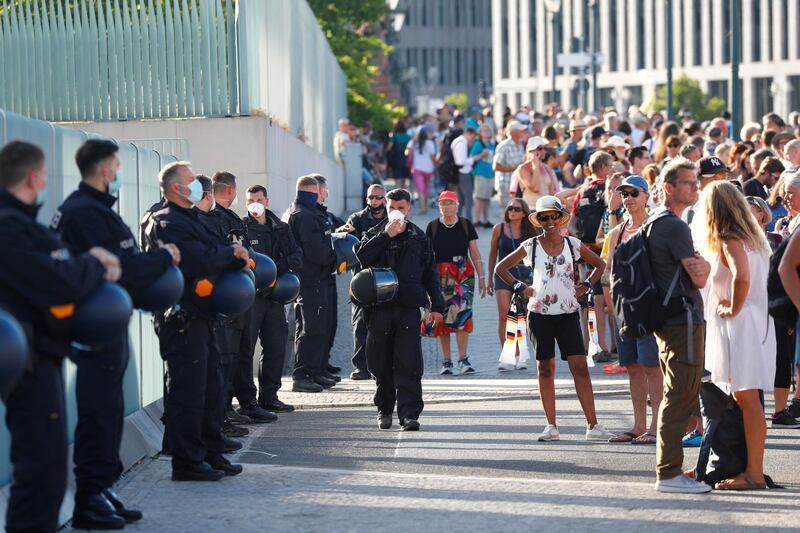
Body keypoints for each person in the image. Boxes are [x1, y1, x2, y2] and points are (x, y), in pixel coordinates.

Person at [52, 140, 180, 528]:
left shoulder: (96, 210)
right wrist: (165, 257)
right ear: (106, 168)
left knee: (108, 412)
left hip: (109, 323)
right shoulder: (83, 212)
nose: (120, 171)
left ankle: (102, 487)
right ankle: (89, 498)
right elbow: (122, 268)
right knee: (97, 412)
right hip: (93, 328)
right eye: (118, 165)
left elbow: (124, 262)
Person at [0, 141, 119, 533]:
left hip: (40, 356)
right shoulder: (9, 227)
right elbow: (58, 281)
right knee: (41, 474)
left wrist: (79, 263)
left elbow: (61, 261)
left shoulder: (24, 225)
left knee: (47, 472)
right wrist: (92, 263)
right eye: (45, 175)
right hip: (27, 362)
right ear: (35, 177)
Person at [144, 161, 250, 481]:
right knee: (188, 393)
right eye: (191, 181)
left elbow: (215, 247)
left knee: (212, 388)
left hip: (203, 315)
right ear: (176, 187)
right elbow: (198, 259)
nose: (197, 186)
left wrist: (232, 254)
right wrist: (231, 254)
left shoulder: (193, 218)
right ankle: (188, 461)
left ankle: (211, 452)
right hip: (181, 318)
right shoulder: (165, 222)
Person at [495, 196, 613, 442]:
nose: (549, 221)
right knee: (545, 368)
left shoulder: (573, 244)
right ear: (538, 221)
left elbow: (600, 264)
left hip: (568, 313)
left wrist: (585, 287)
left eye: (553, 216)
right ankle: (551, 426)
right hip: (540, 314)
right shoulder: (531, 245)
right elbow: (501, 268)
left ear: (561, 218)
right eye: (544, 217)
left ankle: (593, 425)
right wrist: (521, 287)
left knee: (580, 367)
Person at [703, 181, 775, 490]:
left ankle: (754, 474)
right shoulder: (752, 237)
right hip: (753, 322)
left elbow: (742, 277)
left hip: (741, 324)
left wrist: (732, 308)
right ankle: (751, 470)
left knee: (747, 399)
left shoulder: (731, 237)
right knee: (746, 399)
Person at [648, 157, 713, 494]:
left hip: (670, 320)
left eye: (695, 182)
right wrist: (705, 262)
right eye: (688, 182)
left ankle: (670, 470)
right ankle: (669, 473)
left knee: (679, 394)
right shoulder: (674, 226)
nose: (694, 187)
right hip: (682, 320)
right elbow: (699, 277)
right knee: (680, 396)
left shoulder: (655, 222)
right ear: (669, 187)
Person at [356, 188, 445, 431]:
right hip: (379, 308)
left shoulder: (419, 237)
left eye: (402, 208)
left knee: (409, 362)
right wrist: (385, 236)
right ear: (386, 207)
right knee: (379, 362)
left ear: (409, 209)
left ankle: (409, 414)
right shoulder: (374, 233)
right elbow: (361, 258)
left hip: (407, 306)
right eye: (392, 208)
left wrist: (437, 306)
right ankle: (384, 409)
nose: (397, 212)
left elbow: (431, 274)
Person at [211, 171, 278, 423]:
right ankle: (226, 409)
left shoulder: (228, 217)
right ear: (231, 190)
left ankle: (247, 401)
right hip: (228, 294)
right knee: (227, 355)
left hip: (242, 292)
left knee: (243, 351)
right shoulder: (216, 218)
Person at [606, 176, 663, 444]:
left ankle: (656, 425)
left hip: (651, 310)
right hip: (624, 310)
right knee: (632, 368)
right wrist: (612, 309)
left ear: (646, 196)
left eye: (634, 193)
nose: (628, 198)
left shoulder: (655, 227)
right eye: (624, 194)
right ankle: (638, 424)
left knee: (652, 367)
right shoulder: (616, 233)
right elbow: (609, 273)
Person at [243, 185, 302, 413]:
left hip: (275, 297)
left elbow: (298, 256)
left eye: (258, 199)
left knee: (276, 347)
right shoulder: (241, 228)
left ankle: (270, 396)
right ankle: (246, 400)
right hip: (252, 297)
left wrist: (277, 268)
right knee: (245, 348)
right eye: (250, 200)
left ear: (266, 201)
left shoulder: (281, 228)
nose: (254, 203)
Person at [285, 175, 337, 392]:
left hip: (318, 278)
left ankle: (314, 371)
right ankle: (302, 374)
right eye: (316, 193)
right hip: (310, 279)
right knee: (311, 327)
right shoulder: (303, 216)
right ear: (309, 193)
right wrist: (336, 259)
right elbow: (314, 250)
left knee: (320, 326)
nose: (320, 197)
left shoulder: (311, 213)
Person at [426, 190, 485, 374]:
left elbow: (474, 253)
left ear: (457, 205)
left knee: (462, 316)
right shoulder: (433, 226)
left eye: (450, 203)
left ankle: (463, 359)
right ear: (439, 206)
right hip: (440, 276)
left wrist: (482, 277)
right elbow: (427, 256)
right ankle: (446, 362)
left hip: (463, 275)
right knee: (441, 317)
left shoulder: (466, 225)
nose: (447, 207)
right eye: (443, 203)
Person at [487, 198, 537, 367]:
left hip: (524, 276)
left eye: (516, 209)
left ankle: (521, 353)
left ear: (524, 213)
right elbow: (493, 253)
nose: (512, 211)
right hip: (502, 275)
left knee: (522, 316)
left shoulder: (531, 230)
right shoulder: (498, 228)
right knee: (504, 315)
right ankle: (508, 355)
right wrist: (487, 278)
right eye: (510, 208)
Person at [346, 184, 388, 379]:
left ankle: (382, 364)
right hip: (362, 278)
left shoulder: (392, 218)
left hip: (385, 276)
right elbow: (347, 244)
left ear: (385, 199)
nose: (375, 202)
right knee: (360, 322)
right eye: (371, 198)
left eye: (378, 198)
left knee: (384, 322)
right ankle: (360, 366)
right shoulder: (357, 219)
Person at [315, 174, 347, 379]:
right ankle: (313, 370)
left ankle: (323, 363)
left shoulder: (325, 215)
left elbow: (340, 227)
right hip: (316, 279)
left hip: (329, 275)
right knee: (316, 327)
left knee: (330, 323)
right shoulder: (306, 215)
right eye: (325, 189)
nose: (327, 192)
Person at [512, 136, 559, 209]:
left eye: (544, 148)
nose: (543, 151)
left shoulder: (547, 169)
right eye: (539, 148)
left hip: (545, 210)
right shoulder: (523, 168)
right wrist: (535, 165)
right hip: (530, 210)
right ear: (530, 151)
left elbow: (552, 193)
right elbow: (535, 188)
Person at [493, 120, 528, 207]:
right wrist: (516, 169)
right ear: (513, 132)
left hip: (518, 186)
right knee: (507, 214)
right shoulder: (503, 146)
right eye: (520, 130)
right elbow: (496, 166)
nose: (522, 132)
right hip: (506, 185)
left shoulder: (520, 144)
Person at [451, 126, 479, 220]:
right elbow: (460, 161)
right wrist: (473, 159)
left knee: (462, 199)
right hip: (463, 173)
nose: (472, 140)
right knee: (468, 198)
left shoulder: (458, 141)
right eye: (473, 137)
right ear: (469, 134)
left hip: (459, 172)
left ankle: (459, 220)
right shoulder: (462, 143)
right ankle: (468, 220)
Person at [471, 123, 496, 227]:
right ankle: (476, 220)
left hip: (490, 174)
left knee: (487, 198)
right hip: (480, 173)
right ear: (480, 133)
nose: (486, 132)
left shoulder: (491, 144)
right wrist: (481, 154)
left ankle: (485, 220)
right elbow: (472, 158)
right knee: (479, 198)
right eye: (484, 130)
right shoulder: (478, 144)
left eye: (488, 130)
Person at [409, 127, 436, 215]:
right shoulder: (430, 143)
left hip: (417, 168)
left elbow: (408, 152)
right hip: (428, 169)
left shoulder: (413, 143)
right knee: (426, 188)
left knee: (420, 189)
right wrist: (435, 166)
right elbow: (433, 157)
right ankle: (425, 206)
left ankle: (422, 207)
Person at [388, 119, 412, 190]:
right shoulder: (408, 136)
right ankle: (403, 196)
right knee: (404, 179)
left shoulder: (394, 136)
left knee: (397, 179)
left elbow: (389, 147)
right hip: (406, 158)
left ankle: (396, 196)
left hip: (396, 158)